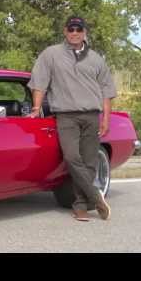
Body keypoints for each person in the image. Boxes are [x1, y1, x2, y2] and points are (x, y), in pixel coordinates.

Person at [27, 16, 117, 222]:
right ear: (65, 31)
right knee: (71, 158)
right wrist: (36, 108)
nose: (74, 32)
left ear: (85, 32)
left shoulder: (96, 59)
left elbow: (106, 91)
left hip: (92, 115)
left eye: (78, 29)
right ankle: (96, 197)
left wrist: (106, 118)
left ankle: (81, 206)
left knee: (90, 161)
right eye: (71, 29)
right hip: (66, 116)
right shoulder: (51, 54)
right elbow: (39, 82)